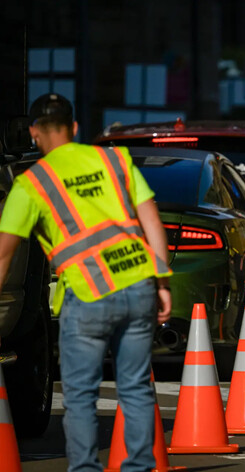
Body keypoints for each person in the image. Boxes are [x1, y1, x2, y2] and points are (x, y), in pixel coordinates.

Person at [0, 93, 172, 471]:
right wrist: (161, 281)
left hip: (88, 293)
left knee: (79, 397)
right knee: (136, 389)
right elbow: (151, 221)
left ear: (34, 134)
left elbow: (3, 254)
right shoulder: (115, 160)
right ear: (74, 128)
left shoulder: (30, 183)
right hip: (139, 284)